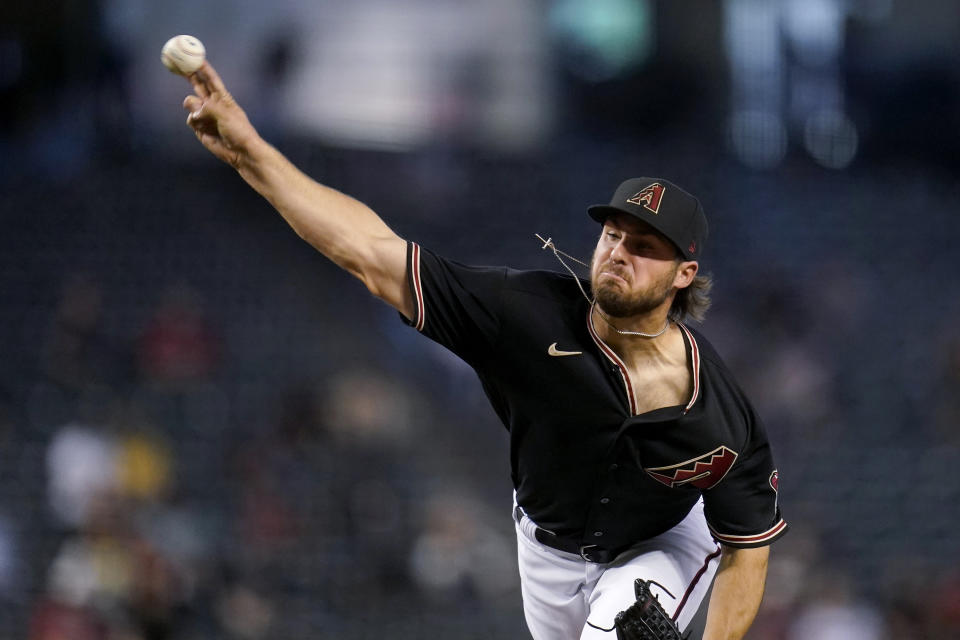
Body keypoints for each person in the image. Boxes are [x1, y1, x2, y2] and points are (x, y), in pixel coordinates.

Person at [178, 61, 787, 640]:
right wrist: (249, 152)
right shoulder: (522, 314)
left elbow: (747, 548)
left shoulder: (720, 415)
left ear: (684, 274)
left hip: (659, 544)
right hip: (546, 547)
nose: (619, 252)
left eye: (646, 245)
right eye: (612, 234)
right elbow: (369, 252)